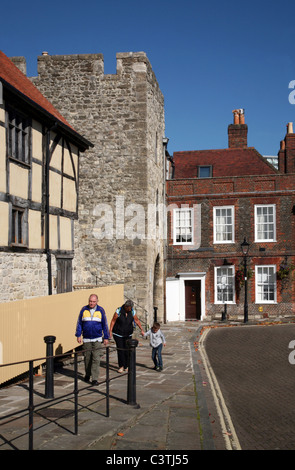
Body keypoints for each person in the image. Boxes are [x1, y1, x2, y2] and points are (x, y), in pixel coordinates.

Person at [75, 293, 109, 385]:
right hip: (86, 339)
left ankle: (94, 379)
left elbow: (104, 325)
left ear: (97, 301)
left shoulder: (101, 310)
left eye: (94, 301)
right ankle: (88, 374)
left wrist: (106, 337)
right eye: (90, 301)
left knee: (96, 359)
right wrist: (78, 335)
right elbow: (79, 323)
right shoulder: (84, 310)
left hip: (97, 338)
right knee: (87, 358)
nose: (91, 303)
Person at [109, 300, 144, 373]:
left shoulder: (132, 312)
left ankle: (126, 366)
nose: (131, 309)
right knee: (121, 349)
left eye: (131, 307)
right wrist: (110, 331)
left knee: (127, 349)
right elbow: (113, 321)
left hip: (128, 334)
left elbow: (136, 320)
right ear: (126, 307)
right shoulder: (118, 311)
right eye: (130, 308)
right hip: (118, 334)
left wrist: (141, 329)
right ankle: (121, 366)